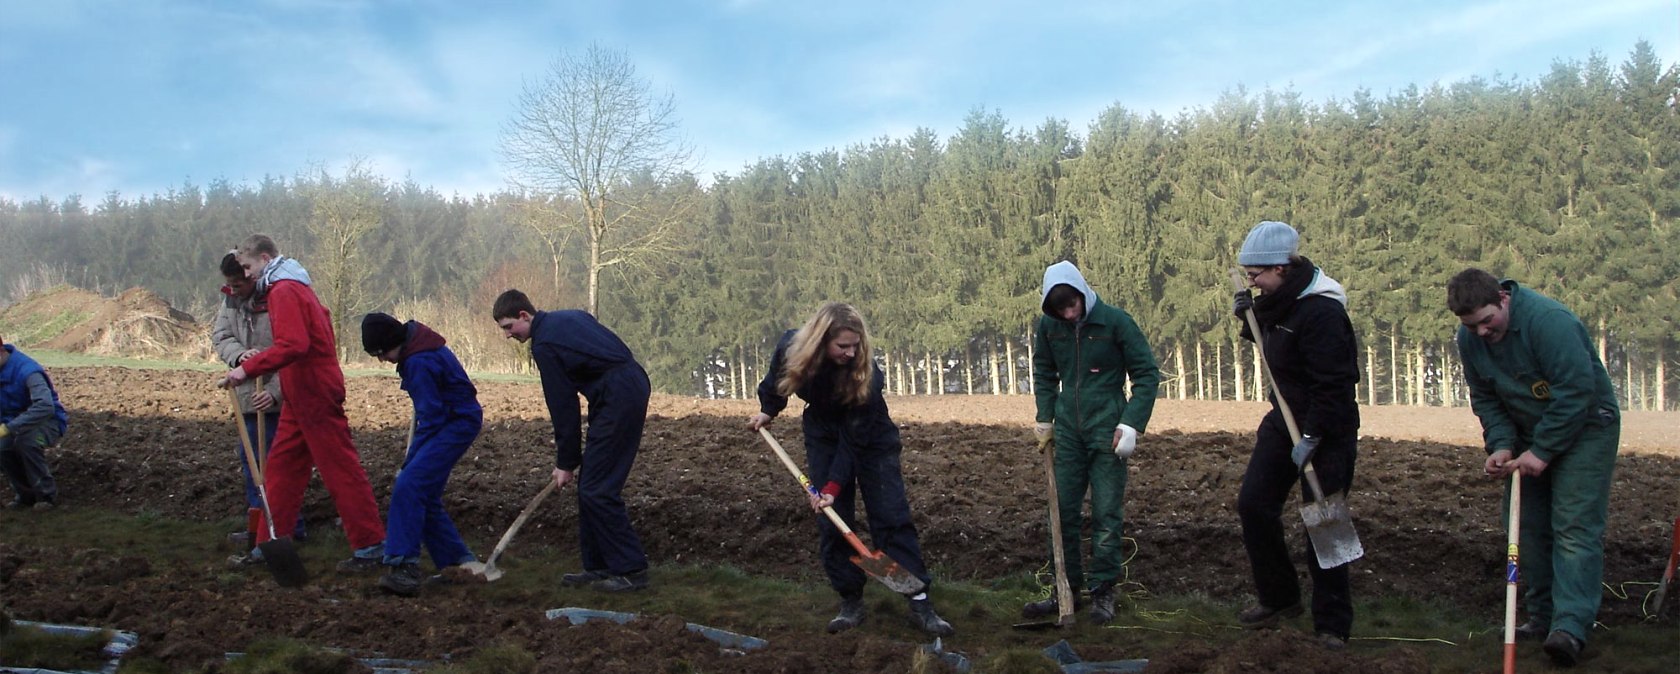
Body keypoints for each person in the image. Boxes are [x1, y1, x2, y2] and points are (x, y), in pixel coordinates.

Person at [748, 302, 955, 637]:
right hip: (822, 431)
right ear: (820, 342)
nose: (850, 352)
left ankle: (919, 601)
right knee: (833, 521)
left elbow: (853, 441)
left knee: (890, 516)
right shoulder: (792, 346)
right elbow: (777, 379)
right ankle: (850, 600)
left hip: (870, 436)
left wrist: (831, 486)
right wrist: (768, 410)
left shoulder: (866, 374)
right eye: (842, 346)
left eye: (855, 345)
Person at [1447, 267, 1618, 667]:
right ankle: (1542, 617)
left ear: (1503, 299)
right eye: (1473, 327)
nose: (1483, 333)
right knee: (1525, 525)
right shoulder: (1469, 340)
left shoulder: (1549, 323)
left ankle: (1571, 627)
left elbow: (1576, 392)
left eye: (1488, 322)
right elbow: (1486, 396)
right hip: (1528, 430)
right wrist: (1503, 445)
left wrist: (1542, 452)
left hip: (1588, 425)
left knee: (1573, 526)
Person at [1228, 221, 1360, 651]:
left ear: (1282, 268)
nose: (1253, 281)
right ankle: (1279, 599)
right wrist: (1250, 320)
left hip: (1327, 426)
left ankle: (1333, 624)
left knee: (1324, 520)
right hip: (1283, 420)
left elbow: (1335, 385)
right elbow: (1275, 349)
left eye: (1256, 274)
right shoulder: (1276, 301)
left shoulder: (1322, 312)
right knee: (1254, 504)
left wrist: (1314, 435)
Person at [220, 234, 386, 574]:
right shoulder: (293, 286)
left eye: (249, 267)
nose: (247, 275)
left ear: (265, 259)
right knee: (281, 469)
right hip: (300, 392)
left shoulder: (285, 291)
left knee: (339, 469)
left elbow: (294, 344)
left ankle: (371, 545)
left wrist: (245, 371)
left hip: (313, 391)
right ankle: (269, 545)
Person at [1025, 261, 1161, 625]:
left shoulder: (1116, 322)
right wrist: (1045, 417)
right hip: (1068, 429)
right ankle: (1065, 590)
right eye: (1060, 309)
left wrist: (1131, 423)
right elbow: (1043, 371)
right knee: (1062, 512)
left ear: (1082, 292)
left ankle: (1103, 591)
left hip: (1108, 430)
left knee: (1105, 515)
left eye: (1072, 305)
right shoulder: (1050, 327)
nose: (1069, 314)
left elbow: (1147, 374)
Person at [492, 289, 651, 592]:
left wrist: (565, 462)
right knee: (590, 485)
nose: (508, 335)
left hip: (619, 397)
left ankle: (631, 570)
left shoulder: (545, 345)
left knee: (598, 488)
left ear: (524, 315)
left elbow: (563, 405)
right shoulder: (568, 316)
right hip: (624, 386)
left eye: (509, 327)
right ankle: (599, 566)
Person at [361, 312, 482, 597]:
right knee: (424, 495)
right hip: (454, 420)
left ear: (392, 342)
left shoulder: (419, 361)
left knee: (409, 485)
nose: (382, 360)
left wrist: (411, 459)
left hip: (455, 424)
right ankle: (458, 564)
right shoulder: (419, 345)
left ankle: (404, 566)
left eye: (381, 353)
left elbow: (431, 417)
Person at [211, 252, 306, 563]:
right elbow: (221, 336)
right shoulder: (230, 301)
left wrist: (276, 392)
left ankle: (289, 528)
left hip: (279, 396)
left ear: (251, 276)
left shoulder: (277, 298)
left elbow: (292, 350)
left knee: (278, 466)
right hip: (248, 395)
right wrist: (240, 356)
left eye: (239, 283)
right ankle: (259, 529)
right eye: (230, 285)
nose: (234, 289)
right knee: (251, 461)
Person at [0, 336, 68, 511]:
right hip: (12, 422)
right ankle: (25, 495)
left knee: (26, 443)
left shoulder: (28, 371)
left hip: (46, 422)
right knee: (3, 447)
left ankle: (46, 495)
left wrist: (10, 427)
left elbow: (45, 407)